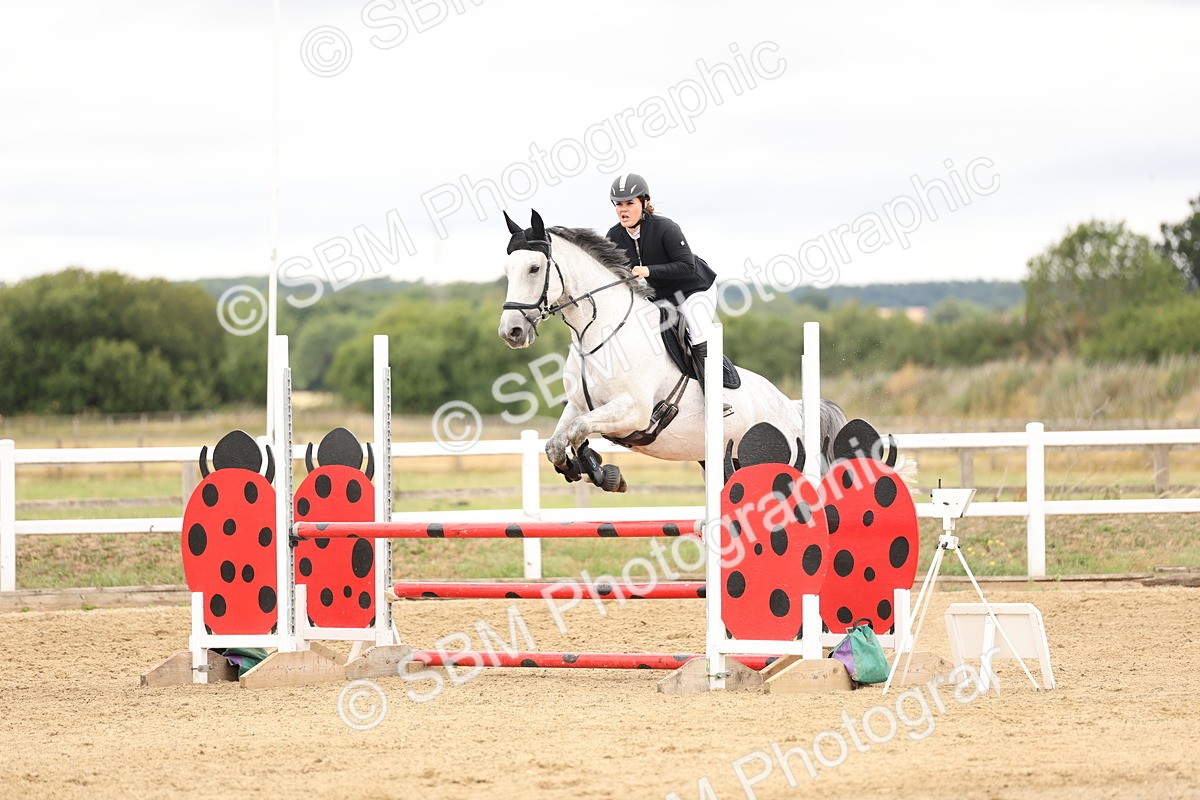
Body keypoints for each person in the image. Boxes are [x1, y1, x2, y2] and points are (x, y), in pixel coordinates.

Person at [604, 172, 720, 390]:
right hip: (661, 295)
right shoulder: (614, 236)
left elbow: (687, 266)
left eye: (630, 203)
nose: (623, 209)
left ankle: (714, 394)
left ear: (644, 202)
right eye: (618, 204)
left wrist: (647, 271)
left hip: (694, 289)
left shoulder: (666, 228)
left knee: (697, 330)